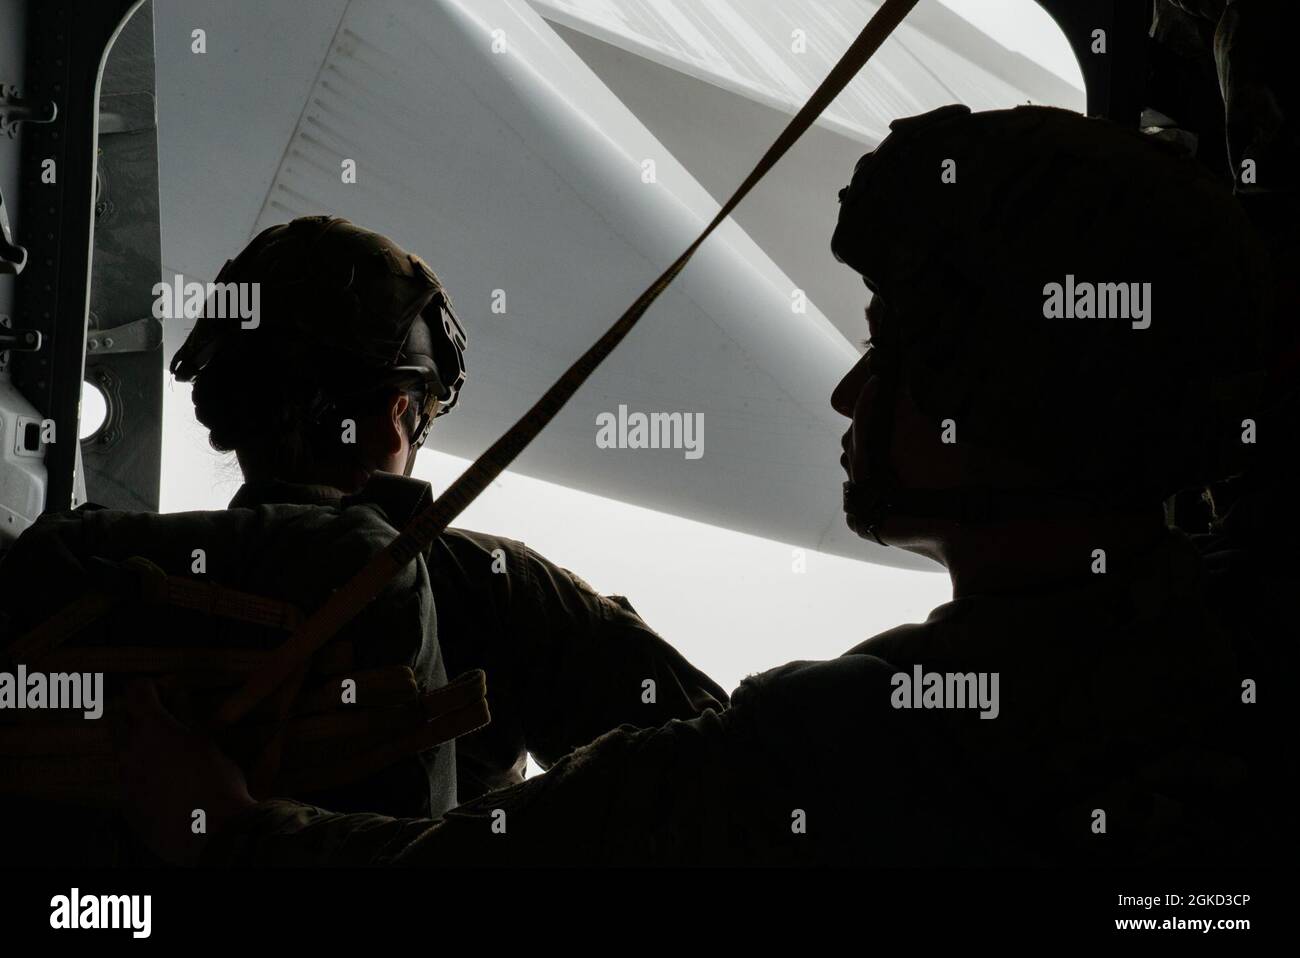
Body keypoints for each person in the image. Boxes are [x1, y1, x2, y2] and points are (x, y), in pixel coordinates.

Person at [121, 105, 1271, 867]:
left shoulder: (854, 746)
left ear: (1009, 393)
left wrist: (214, 827)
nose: (848, 394)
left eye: (895, 348)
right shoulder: (1210, 647)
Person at [0, 217, 725, 862]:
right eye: (421, 417)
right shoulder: (486, 585)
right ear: (393, 419)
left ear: (226, 413)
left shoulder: (96, 571)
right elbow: (723, 776)